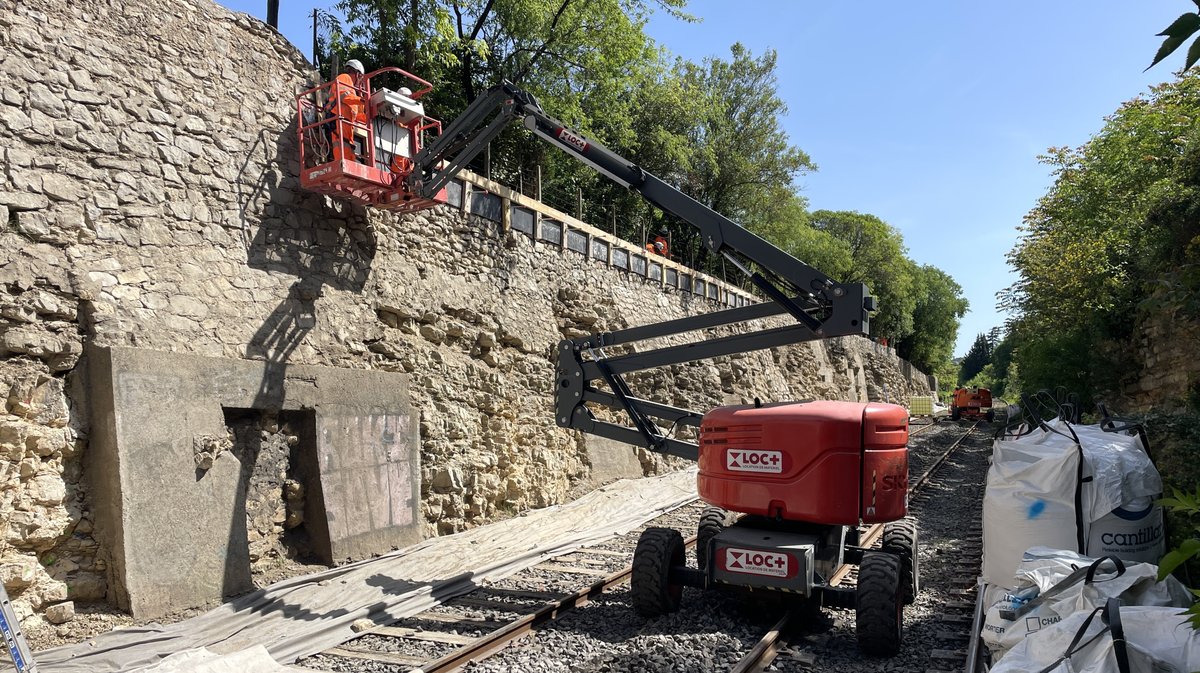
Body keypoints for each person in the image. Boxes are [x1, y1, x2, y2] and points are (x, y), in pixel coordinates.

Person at [324, 59, 368, 163]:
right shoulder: (345, 77)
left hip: (346, 125)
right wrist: (362, 100)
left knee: (347, 151)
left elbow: (357, 117)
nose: (360, 81)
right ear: (358, 74)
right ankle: (341, 164)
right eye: (361, 77)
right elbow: (344, 96)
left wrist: (371, 114)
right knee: (341, 150)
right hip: (339, 120)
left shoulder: (352, 90)